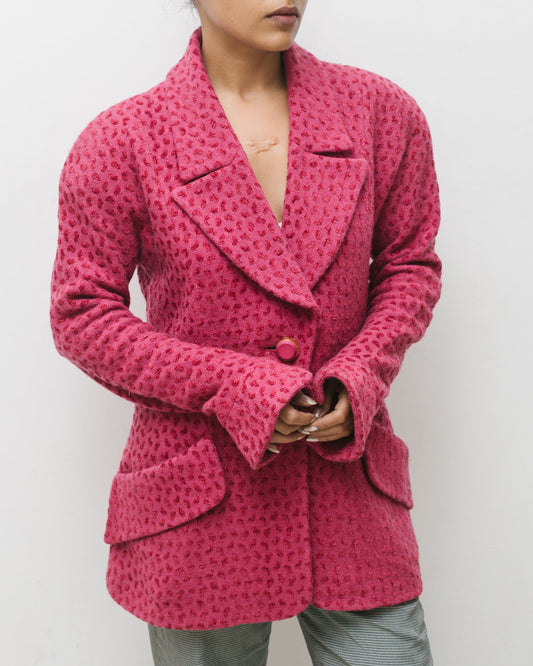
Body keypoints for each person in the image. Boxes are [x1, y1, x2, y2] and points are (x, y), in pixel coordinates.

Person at [49, 1, 442, 664]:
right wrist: (236, 387)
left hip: (347, 486)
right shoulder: (123, 141)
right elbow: (82, 314)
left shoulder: (380, 114)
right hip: (200, 500)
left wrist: (362, 375)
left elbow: (409, 265)